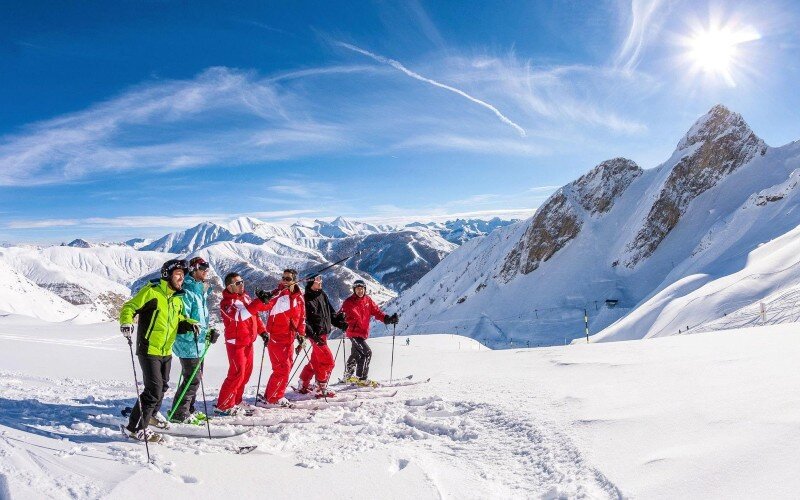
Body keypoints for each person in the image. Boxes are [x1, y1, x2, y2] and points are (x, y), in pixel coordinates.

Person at [119, 259, 198, 442]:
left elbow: (179, 318)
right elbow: (130, 307)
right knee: (153, 390)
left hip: (165, 350)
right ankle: (135, 428)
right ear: (167, 275)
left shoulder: (177, 298)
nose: (181, 278)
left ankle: (151, 415)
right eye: (178, 274)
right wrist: (126, 322)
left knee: (162, 386)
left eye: (183, 275)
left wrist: (189, 324)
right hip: (148, 348)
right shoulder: (152, 292)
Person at [169, 256, 220, 425]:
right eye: (202, 268)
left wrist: (208, 332)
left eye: (207, 268)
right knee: (193, 377)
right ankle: (179, 413)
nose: (206, 271)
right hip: (188, 342)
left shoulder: (199, 290)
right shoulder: (188, 290)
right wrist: (192, 329)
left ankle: (188, 409)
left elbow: (201, 318)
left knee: (195, 377)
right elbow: (183, 317)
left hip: (198, 341)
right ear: (193, 269)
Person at [214, 272, 273, 416]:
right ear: (230, 286)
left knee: (246, 374)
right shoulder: (227, 303)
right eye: (238, 283)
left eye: (242, 281)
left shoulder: (245, 297)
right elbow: (240, 316)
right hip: (236, 344)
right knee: (236, 373)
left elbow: (255, 314)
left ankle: (236, 400)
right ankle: (223, 405)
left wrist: (262, 331)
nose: (242, 284)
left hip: (248, 341)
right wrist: (259, 301)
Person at [259, 268, 306, 407]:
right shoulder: (278, 294)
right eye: (283, 278)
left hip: (290, 337)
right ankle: (274, 398)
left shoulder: (299, 297)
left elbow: (302, 317)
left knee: (286, 366)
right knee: (282, 368)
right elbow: (264, 305)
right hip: (277, 337)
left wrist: (301, 335)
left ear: (295, 280)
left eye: (288, 279)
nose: (284, 281)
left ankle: (272, 394)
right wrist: (263, 298)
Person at [339, 279, 399, 386]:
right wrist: (341, 320)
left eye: (361, 289)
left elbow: (377, 312)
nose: (360, 291)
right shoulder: (348, 302)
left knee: (356, 354)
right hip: (353, 333)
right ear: (354, 290)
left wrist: (388, 319)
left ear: (365, 289)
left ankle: (348, 375)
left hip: (362, 333)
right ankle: (362, 379)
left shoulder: (367, 300)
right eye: (357, 289)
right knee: (366, 353)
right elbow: (340, 314)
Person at [297, 275, 348, 398]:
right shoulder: (305, 300)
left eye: (321, 280)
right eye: (317, 281)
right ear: (310, 283)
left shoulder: (322, 294)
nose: (320, 282)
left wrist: (339, 322)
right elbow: (304, 321)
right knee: (328, 362)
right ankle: (320, 387)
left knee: (316, 361)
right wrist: (313, 336)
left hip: (323, 334)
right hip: (316, 336)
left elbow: (330, 313)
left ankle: (303, 383)